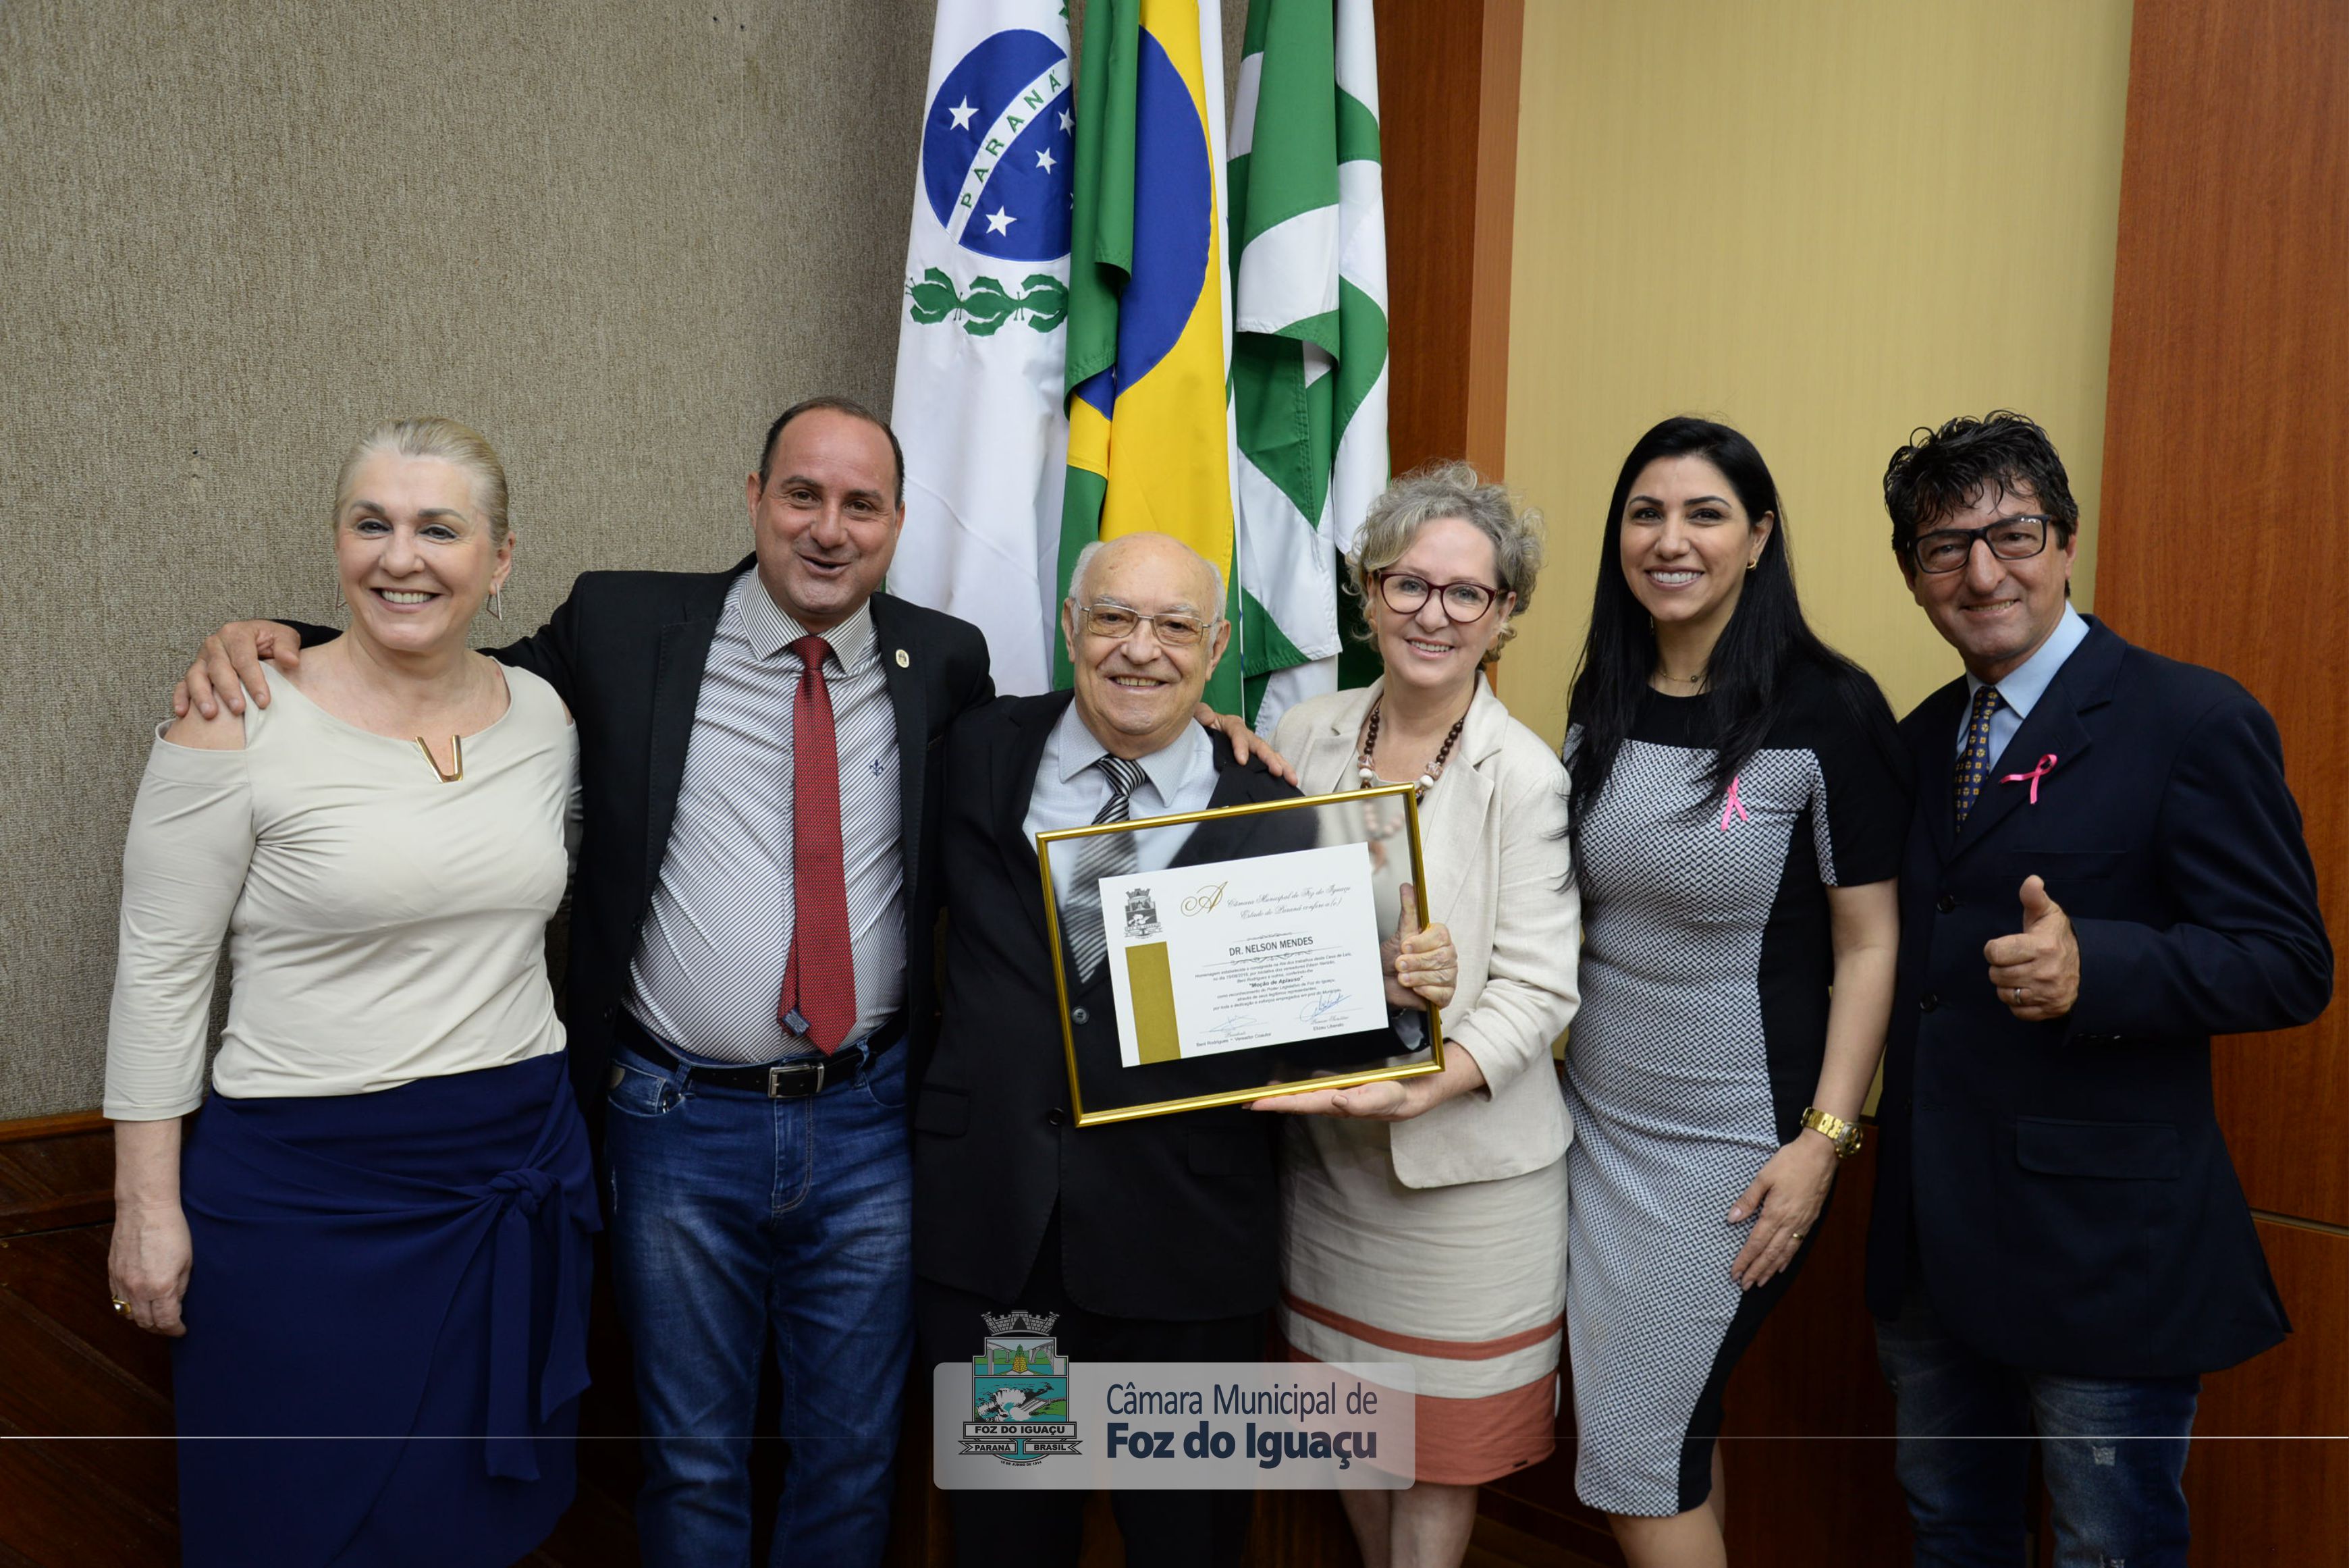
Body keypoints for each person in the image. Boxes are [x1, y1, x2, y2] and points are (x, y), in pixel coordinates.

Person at [174, 398, 1285, 1565]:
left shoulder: (944, 664)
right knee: (693, 1461)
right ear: (751, 499)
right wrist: (278, 633)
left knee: (852, 1459)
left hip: (872, 1131)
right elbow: (453, 666)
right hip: (671, 1126)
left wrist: (1197, 729)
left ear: (898, 523)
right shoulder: (623, 623)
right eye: (802, 496)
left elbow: (1103, 728)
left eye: (862, 505)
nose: (829, 528)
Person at [106, 417, 598, 1565]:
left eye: (439, 529)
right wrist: (145, 1207)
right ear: (335, 542)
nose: (401, 557)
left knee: (480, 1530)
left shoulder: (547, 719)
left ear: (502, 558)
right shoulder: (231, 714)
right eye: (370, 524)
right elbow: (160, 973)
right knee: (293, 1527)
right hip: (302, 1204)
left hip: (515, 1174)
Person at [911, 531, 1455, 1568]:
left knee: (1186, 1537)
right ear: (1071, 628)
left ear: (1215, 652)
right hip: (1000, 1247)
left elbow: (1319, 1025)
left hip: (1186, 1256)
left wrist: (1391, 991)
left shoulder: (1278, 810)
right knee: (1008, 1532)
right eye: (1113, 616)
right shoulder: (979, 750)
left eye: (1174, 627)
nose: (1139, 650)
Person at [1868, 412, 2331, 1567]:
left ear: (2067, 542)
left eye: (2013, 533)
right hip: (1932, 1237)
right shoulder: (1919, 741)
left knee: (2109, 1549)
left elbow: (2290, 962)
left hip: (2102, 1247)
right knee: (1951, 1531)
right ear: (1915, 576)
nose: (1984, 571)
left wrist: (2102, 967)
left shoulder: (2192, 720)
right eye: (1944, 547)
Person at [1559, 417, 1905, 1567]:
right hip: (1592, 1131)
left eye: (1705, 514)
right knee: (1670, 1438)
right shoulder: (1599, 696)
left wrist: (1825, 1142)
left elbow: (1869, 947)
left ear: (1758, 538)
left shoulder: (1828, 709)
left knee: (1631, 1456)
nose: (1671, 539)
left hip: (1734, 1152)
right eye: (1646, 512)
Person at [1251, 464, 1582, 1568]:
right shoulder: (1300, 728)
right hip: (1328, 1171)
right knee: (1348, 1438)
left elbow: (1540, 990)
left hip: (1465, 1186)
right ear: (1366, 591)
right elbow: (1256, 915)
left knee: (1438, 1458)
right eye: (1407, 585)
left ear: (1503, 618)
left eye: (1465, 595)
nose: (1432, 614)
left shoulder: (1523, 776)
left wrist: (1420, 1086)